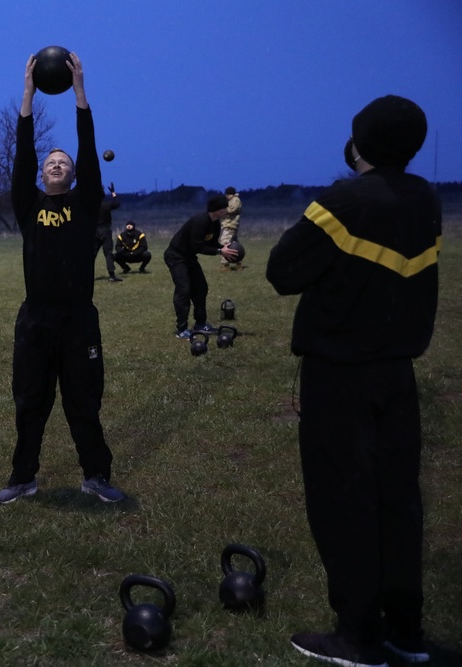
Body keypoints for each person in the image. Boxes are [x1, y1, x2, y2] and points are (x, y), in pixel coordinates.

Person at [267, 95, 439, 667]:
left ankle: (359, 637)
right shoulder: (426, 198)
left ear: (358, 142)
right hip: (397, 374)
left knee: (345, 499)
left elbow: (283, 272)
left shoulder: (342, 200)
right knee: (397, 500)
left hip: (340, 374)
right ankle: (404, 631)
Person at [0, 52, 126, 505]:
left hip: (78, 320)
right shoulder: (28, 207)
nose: (56, 163)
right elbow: (22, 149)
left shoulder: (86, 204)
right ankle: (22, 478)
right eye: (50, 161)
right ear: (40, 173)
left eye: (62, 161)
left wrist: (80, 92)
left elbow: (88, 150)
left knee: (83, 403)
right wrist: (28, 95)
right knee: (30, 403)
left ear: (71, 175)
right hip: (35, 320)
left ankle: (96, 475)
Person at [162, 196, 238, 339]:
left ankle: (201, 324)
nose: (227, 211)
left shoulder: (215, 223)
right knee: (184, 290)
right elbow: (197, 246)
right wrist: (220, 252)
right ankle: (182, 330)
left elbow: (212, 243)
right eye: (224, 209)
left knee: (201, 288)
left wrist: (224, 248)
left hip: (189, 257)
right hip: (176, 256)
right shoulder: (200, 221)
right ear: (216, 210)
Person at [94, 183, 122, 282]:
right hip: (105, 231)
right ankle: (112, 276)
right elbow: (117, 203)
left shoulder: (91, 206)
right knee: (108, 253)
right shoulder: (106, 205)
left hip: (94, 231)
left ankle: (86, 275)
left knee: (91, 255)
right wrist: (113, 192)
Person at [219, 186, 243, 270]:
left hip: (230, 225)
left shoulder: (235, 200)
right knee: (235, 245)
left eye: (227, 194)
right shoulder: (231, 200)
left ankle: (225, 265)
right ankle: (238, 262)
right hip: (230, 225)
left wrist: (221, 210)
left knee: (224, 243)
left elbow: (232, 210)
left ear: (231, 194)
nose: (226, 196)